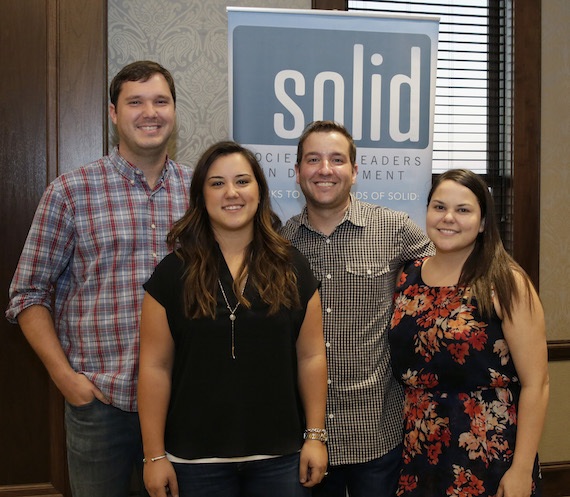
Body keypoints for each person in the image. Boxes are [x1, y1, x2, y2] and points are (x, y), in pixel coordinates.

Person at [6, 61, 192, 497]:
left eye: (160, 101)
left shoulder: (199, 191)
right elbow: (26, 294)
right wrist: (66, 379)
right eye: (135, 102)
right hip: (100, 408)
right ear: (114, 114)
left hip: (183, 404)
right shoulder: (70, 192)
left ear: (174, 111)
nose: (150, 112)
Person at [137, 141, 328, 497]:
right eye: (217, 183)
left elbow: (312, 356)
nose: (231, 193)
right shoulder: (171, 274)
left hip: (281, 459)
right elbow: (154, 368)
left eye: (242, 181)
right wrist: (153, 456)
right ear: (201, 196)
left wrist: (315, 436)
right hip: (194, 464)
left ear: (259, 192)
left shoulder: (293, 267)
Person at [280, 121, 433, 497]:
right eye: (313, 160)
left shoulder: (394, 229)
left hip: (376, 431)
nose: (325, 169)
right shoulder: (281, 244)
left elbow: (450, 270)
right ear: (297, 172)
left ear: (355, 171)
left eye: (337, 159)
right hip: (303, 433)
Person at [389, 169, 549, 496]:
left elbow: (537, 384)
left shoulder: (506, 283)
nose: (449, 218)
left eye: (463, 210)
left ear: (483, 221)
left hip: (490, 454)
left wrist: (520, 469)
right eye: (439, 207)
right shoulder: (407, 277)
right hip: (420, 451)